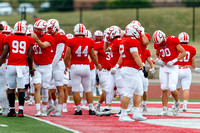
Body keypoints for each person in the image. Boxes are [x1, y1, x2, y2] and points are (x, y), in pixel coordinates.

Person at [64, 23, 102, 115]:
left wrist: (65, 66)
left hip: (75, 67)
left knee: (76, 89)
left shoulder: (71, 41)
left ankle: (78, 109)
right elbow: (93, 55)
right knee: (88, 89)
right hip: (86, 67)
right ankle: (91, 109)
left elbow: (67, 56)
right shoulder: (89, 41)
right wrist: (97, 64)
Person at [0, 21, 35, 117]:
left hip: (11, 66)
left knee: (11, 89)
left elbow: (4, 54)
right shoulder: (29, 39)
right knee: (21, 89)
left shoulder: (9, 38)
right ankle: (20, 110)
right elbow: (30, 57)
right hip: (22, 67)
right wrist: (31, 69)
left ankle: (11, 110)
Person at [153, 30, 186, 116]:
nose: (160, 45)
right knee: (164, 88)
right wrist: (158, 60)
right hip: (164, 67)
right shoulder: (157, 44)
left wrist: (174, 60)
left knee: (172, 88)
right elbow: (157, 55)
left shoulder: (172, 40)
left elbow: (183, 53)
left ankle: (177, 103)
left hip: (173, 67)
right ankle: (164, 109)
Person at [118, 23, 147, 122]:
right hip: (130, 69)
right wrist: (143, 67)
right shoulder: (132, 41)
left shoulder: (124, 40)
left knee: (139, 91)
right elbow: (135, 55)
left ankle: (136, 113)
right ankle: (123, 114)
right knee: (128, 92)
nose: (139, 33)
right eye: (138, 31)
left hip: (130, 68)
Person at [31, 19, 54, 117]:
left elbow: (44, 46)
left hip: (47, 66)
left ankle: (44, 109)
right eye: (36, 29)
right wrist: (32, 63)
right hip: (37, 66)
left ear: (44, 30)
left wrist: (36, 39)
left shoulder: (48, 37)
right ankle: (37, 110)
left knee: (45, 88)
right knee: (37, 87)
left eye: (39, 29)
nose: (36, 31)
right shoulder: (33, 37)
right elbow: (30, 52)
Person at [46, 19, 68, 116]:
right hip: (49, 63)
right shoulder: (48, 36)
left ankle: (59, 109)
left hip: (57, 64)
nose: (48, 30)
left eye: (50, 28)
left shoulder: (61, 37)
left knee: (59, 87)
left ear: (55, 27)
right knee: (45, 86)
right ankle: (51, 106)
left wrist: (50, 66)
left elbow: (58, 54)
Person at [175, 32, 198, 112]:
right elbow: (192, 62)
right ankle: (184, 105)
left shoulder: (176, 47)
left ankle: (176, 104)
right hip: (186, 70)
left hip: (177, 69)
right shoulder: (191, 49)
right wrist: (195, 69)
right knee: (186, 89)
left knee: (176, 89)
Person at [0, 23, 9, 116]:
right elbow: (7, 50)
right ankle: (5, 108)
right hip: (2, 62)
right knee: (2, 87)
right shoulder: (4, 37)